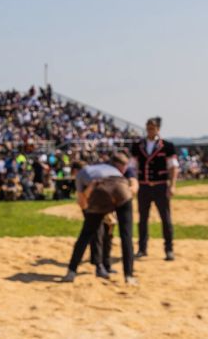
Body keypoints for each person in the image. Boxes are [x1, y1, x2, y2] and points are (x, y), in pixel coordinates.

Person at [63, 153, 137, 285]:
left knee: (86, 234)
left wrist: (93, 213)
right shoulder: (110, 168)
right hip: (121, 187)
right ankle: (129, 276)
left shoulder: (81, 175)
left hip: (99, 189)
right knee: (126, 235)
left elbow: (82, 202)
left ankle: (71, 271)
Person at [130, 117, 178, 261]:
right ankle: (142, 248)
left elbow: (173, 167)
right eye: (148, 127)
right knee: (142, 219)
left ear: (158, 129)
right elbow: (132, 166)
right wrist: (133, 182)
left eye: (153, 127)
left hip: (160, 186)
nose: (150, 130)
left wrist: (172, 185)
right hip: (144, 186)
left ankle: (169, 249)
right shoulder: (138, 145)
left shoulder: (167, 146)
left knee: (166, 218)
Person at [89, 157, 138, 276]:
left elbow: (134, 185)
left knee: (109, 234)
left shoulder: (127, 171)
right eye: (123, 166)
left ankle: (106, 264)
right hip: (100, 202)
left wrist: (124, 195)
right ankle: (98, 265)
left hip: (117, 202)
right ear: (116, 164)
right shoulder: (106, 171)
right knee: (98, 233)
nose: (124, 169)